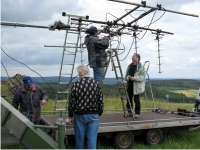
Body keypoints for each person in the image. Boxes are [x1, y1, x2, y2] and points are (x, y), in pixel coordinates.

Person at [68, 64, 103, 149]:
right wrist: (99, 113)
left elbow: (72, 102)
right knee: (92, 139)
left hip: (80, 114)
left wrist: (70, 116)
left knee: (79, 139)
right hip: (94, 114)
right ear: (88, 72)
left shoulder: (76, 84)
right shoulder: (96, 84)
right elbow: (100, 101)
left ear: (80, 73)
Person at [125, 53, 146, 118]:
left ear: (138, 58)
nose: (132, 56)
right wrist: (127, 78)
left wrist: (134, 78)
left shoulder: (140, 67)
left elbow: (143, 77)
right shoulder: (129, 66)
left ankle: (137, 113)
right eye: (132, 56)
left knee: (136, 99)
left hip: (136, 86)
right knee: (129, 99)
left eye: (134, 56)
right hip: (129, 85)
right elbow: (126, 74)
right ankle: (130, 112)